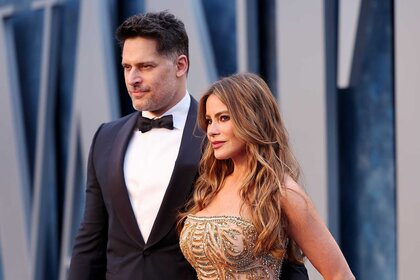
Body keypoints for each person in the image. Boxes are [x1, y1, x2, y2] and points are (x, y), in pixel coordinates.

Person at [68, 10, 309, 280]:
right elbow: (90, 240)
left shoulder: (220, 138)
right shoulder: (105, 138)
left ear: (181, 65)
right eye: (127, 67)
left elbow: (275, 244)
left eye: (146, 66)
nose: (132, 78)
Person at [178, 72, 355, 280]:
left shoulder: (282, 191)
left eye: (223, 118)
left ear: (251, 119)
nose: (211, 131)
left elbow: (340, 274)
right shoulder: (210, 186)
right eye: (209, 121)